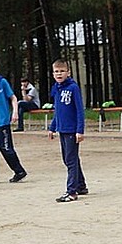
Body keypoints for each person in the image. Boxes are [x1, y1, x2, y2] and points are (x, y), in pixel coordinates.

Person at [47, 60, 87, 202]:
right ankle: (81, 185)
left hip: (72, 130)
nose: (59, 74)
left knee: (70, 160)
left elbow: (79, 110)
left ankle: (72, 191)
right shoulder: (56, 88)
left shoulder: (73, 88)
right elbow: (57, 111)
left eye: (62, 71)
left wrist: (80, 130)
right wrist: (52, 127)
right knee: (70, 159)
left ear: (68, 72)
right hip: (62, 129)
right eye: (56, 71)